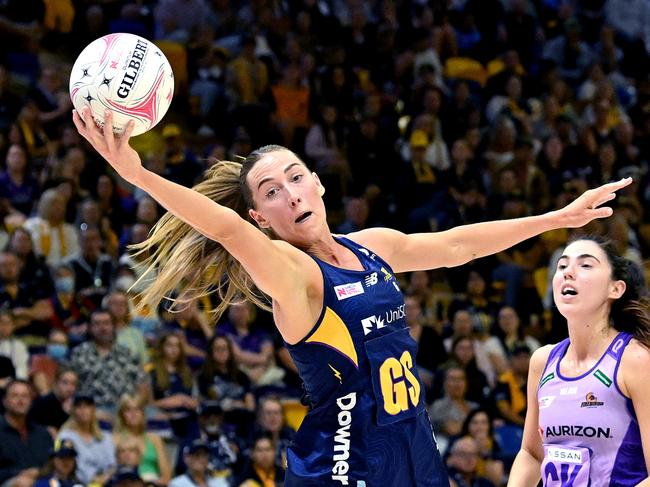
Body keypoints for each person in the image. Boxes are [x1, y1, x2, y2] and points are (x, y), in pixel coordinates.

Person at [73, 106, 631, 486]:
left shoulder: (371, 247)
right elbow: (224, 231)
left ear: (317, 180)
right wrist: (138, 174)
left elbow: (458, 244)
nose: (289, 195)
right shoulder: (293, 272)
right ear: (259, 218)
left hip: (412, 444)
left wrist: (557, 218)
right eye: (271, 193)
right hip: (345, 462)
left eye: (295, 178)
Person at [507, 235, 650, 486]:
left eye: (585, 265)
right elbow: (531, 453)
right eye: (562, 266)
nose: (568, 272)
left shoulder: (635, 359)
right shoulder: (542, 361)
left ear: (615, 288)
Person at [0, 380, 53, 487]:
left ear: (31, 401)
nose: (20, 400)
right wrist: (18, 474)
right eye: (15, 396)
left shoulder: (42, 433)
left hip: (41, 482)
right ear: (5, 401)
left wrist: (40, 472)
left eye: (25, 396)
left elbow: (52, 465)